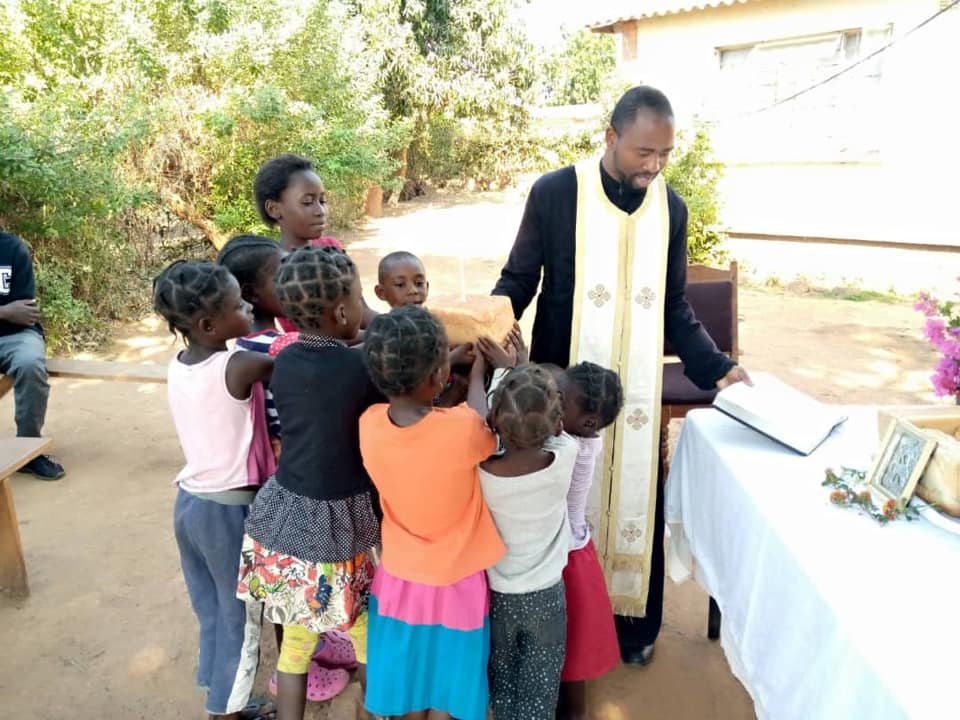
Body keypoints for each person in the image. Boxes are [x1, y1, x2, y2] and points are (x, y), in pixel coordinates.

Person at [493, 85, 751, 666]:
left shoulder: (672, 210)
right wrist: (486, 334)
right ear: (611, 138)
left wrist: (719, 368)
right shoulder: (557, 193)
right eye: (643, 153)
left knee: (637, 497)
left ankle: (633, 629)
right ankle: (561, 634)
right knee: (561, 500)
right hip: (562, 386)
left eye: (665, 154)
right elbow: (519, 279)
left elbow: (675, 308)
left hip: (632, 397)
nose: (654, 166)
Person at [236, 246, 380, 720]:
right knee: (365, 635)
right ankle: (376, 710)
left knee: (295, 645)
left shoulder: (285, 358)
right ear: (342, 310)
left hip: (285, 516)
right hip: (337, 524)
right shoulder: (362, 371)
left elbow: (334, 356)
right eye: (359, 299)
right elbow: (361, 365)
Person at [358, 305, 505, 720]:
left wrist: (443, 366)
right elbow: (481, 424)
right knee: (450, 686)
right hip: (458, 581)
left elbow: (426, 417)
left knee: (410, 683)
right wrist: (476, 374)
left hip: (400, 579)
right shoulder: (461, 430)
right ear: (439, 376)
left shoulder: (368, 423)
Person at [153, 260, 275, 720]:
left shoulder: (180, 364)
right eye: (238, 304)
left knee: (213, 610)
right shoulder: (238, 365)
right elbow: (296, 364)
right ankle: (224, 709)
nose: (248, 306)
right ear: (208, 324)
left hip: (190, 505)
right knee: (241, 620)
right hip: (227, 514)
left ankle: (217, 686)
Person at [479, 363, 576, 720]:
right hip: (547, 595)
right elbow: (555, 431)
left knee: (502, 678)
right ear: (557, 422)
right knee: (541, 683)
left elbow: (487, 419)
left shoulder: (482, 474)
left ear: (494, 422)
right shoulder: (565, 457)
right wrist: (516, 362)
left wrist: (497, 373)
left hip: (498, 595)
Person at [547, 362, 625, 720]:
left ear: (589, 421)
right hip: (572, 552)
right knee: (567, 650)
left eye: (562, 401)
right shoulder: (582, 435)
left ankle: (574, 714)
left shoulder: (569, 447)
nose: (553, 405)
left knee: (570, 651)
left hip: (565, 561)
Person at [252, 154, 377, 336]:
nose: (320, 211)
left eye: (322, 201)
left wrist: (398, 324)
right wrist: (379, 337)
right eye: (308, 202)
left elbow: (362, 312)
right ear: (274, 209)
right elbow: (304, 339)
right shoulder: (272, 267)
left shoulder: (331, 248)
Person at [373, 250, 475, 406]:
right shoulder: (389, 332)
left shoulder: (433, 320)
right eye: (401, 285)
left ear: (427, 286)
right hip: (419, 408)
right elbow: (413, 378)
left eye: (419, 284)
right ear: (381, 292)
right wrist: (452, 358)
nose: (413, 290)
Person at [0, 231, 63, 480]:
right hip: (9, 321)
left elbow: (24, 312)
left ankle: (29, 448)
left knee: (30, 363)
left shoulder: (13, 248)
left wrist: (10, 314)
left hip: (17, 335)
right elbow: (12, 310)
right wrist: (4, 310)